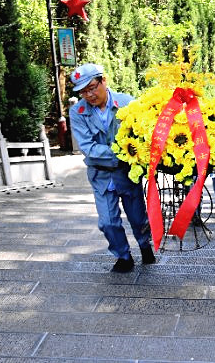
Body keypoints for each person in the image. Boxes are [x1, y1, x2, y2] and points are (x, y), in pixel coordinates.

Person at [68, 63, 155, 273]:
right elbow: (88, 147)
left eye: (92, 88)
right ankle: (123, 256)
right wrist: (123, 151)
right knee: (108, 222)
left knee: (138, 217)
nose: (89, 95)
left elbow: (142, 136)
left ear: (103, 81)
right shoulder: (78, 112)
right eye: (83, 92)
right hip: (101, 174)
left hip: (127, 173)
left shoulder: (127, 103)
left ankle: (145, 245)